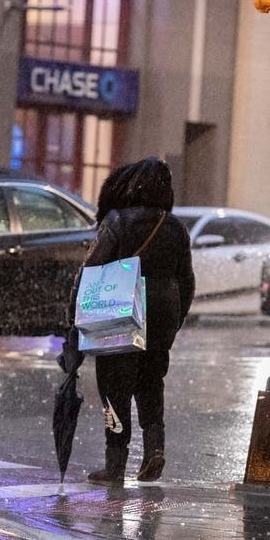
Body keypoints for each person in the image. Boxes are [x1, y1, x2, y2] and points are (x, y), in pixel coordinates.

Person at [73, 157, 195, 486]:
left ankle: (115, 465)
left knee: (115, 386)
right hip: (163, 313)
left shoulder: (118, 221)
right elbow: (187, 280)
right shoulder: (176, 228)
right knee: (151, 380)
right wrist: (175, 319)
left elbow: (91, 269)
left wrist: (75, 315)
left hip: (123, 310)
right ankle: (155, 448)